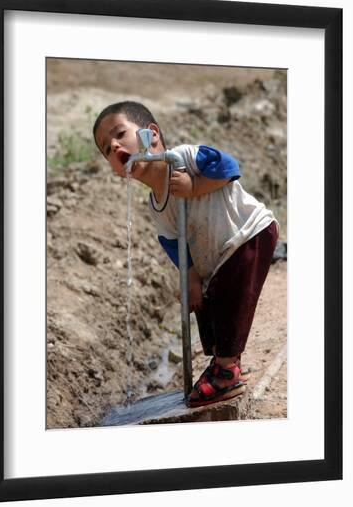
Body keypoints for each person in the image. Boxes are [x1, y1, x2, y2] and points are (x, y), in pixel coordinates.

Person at [93, 101, 278, 407]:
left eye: (120, 134)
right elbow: (173, 242)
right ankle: (223, 360)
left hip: (248, 233)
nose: (113, 146)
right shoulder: (157, 204)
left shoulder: (183, 158)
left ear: (151, 135)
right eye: (105, 149)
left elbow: (228, 166)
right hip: (218, 254)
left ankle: (227, 370)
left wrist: (195, 186)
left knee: (230, 295)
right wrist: (190, 278)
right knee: (206, 298)